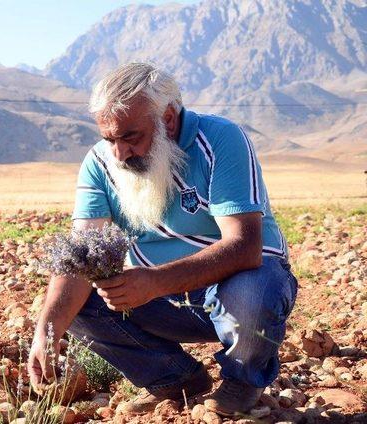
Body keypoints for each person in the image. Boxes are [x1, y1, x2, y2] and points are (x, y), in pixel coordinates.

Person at [28, 62, 298, 417]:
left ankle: (242, 382)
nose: (119, 154)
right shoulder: (100, 163)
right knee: (75, 303)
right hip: (161, 297)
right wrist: (47, 332)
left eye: (130, 137)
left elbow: (245, 247)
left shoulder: (221, 139)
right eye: (110, 139)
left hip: (236, 286)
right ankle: (177, 380)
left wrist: (154, 281)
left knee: (254, 290)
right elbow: (81, 256)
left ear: (168, 119)